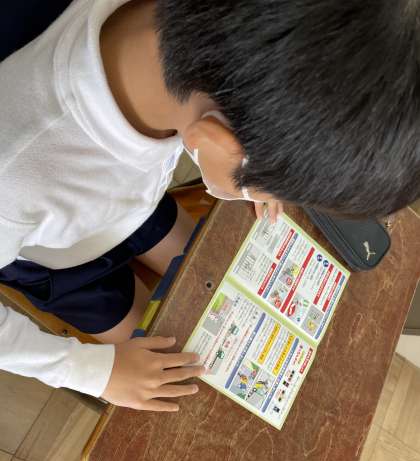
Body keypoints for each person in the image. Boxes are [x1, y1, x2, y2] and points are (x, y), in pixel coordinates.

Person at [1, 0, 420, 412]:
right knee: (179, 362)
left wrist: (258, 168)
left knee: (214, 274)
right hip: (58, 262)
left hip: (132, 200)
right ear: (214, 139)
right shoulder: (16, 172)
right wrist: (94, 372)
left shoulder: (182, 51)